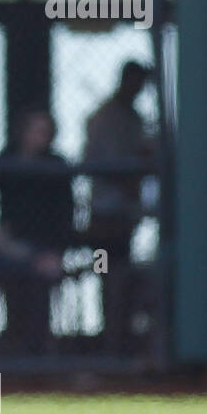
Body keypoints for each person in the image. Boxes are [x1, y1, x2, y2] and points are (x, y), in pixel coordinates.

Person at [0, 108, 75, 352]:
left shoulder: (57, 165)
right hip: (9, 247)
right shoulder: (6, 159)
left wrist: (57, 252)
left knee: (39, 277)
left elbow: (69, 217)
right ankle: (10, 344)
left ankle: (36, 351)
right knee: (12, 273)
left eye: (47, 133)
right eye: (37, 131)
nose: (42, 137)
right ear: (24, 133)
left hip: (44, 248)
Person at [84, 61, 155, 351]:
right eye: (136, 82)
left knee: (126, 276)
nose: (139, 89)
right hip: (106, 215)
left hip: (128, 215)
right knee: (110, 276)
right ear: (126, 80)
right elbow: (108, 166)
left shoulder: (134, 117)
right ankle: (110, 343)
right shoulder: (106, 116)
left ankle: (120, 339)